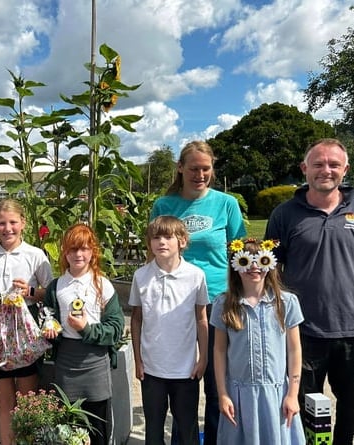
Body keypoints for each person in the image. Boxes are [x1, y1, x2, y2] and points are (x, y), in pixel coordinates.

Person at [265, 138, 354, 445]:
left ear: (345, 169)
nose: (325, 170)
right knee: (302, 416)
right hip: (302, 332)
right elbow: (273, 271)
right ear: (304, 168)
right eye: (318, 164)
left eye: (333, 164)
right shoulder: (284, 215)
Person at [151, 140, 246, 445]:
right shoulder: (164, 206)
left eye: (206, 168)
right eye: (194, 168)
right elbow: (153, 252)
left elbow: (239, 253)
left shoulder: (226, 204)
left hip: (220, 301)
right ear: (180, 168)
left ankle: (219, 439)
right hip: (176, 305)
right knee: (183, 382)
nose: (200, 174)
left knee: (219, 384)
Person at [212, 238, 305, 444]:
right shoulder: (223, 304)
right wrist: (223, 394)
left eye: (260, 260)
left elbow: (294, 350)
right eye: (246, 261)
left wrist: (292, 394)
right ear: (236, 265)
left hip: (276, 396)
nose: (254, 267)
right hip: (238, 396)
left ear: (269, 263)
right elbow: (219, 351)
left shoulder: (286, 303)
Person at [0, 199, 53, 445]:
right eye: (1, 223)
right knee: (4, 397)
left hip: (26, 327)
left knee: (28, 395)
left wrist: (31, 291)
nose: (7, 228)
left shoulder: (35, 255)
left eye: (12, 222)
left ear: (23, 223)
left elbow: (50, 292)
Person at [42, 223, 125, 445]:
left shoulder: (103, 286)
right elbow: (47, 317)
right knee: (68, 429)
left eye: (84, 248)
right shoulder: (56, 287)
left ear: (93, 252)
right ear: (65, 252)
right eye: (73, 249)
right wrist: (50, 330)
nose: (79, 254)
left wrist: (87, 329)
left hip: (96, 364)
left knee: (97, 427)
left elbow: (116, 329)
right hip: (66, 363)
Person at [129, 216, 208, 445]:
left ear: (182, 241)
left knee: (187, 430)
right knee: (153, 431)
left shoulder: (195, 276)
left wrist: (202, 358)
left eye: (168, 236)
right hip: (152, 370)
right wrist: (138, 360)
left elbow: (201, 318)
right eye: (156, 237)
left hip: (185, 371)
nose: (161, 242)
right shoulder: (141, 276)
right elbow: (136, 320)